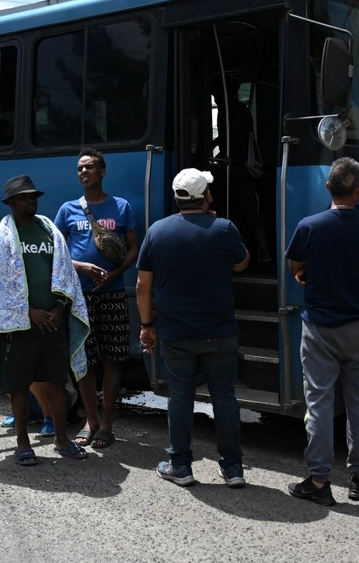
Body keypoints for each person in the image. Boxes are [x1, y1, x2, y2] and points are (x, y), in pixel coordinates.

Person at [0, 175, 92, 465]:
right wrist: (29, 312)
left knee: (56, 382)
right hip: (20, 327)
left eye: (33, 196)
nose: (31, 201)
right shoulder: (2, 237)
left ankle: (61, 439)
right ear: (12, 202)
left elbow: (65, 273)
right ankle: (22, 444)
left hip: (53, 323)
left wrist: (58, 308)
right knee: (18, 386)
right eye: (24, 197)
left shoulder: (49, 231)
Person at [285, 158, 359, 506]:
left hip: (320, 328)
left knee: (319, 403)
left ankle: (319, 483)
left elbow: (295, 266)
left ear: (327, 188)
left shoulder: (309, 226)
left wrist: (305, 275)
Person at [137, 168, 249, 487]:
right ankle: (232, 468)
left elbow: (143, 286)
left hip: (176, 333)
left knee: (181, 397)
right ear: (206, 197)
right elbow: (242, 262)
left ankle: (181, 466)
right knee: (224, 397)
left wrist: (147, 325)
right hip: (220, 331)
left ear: (177, 198)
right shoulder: (224, 228)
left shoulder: (157, 231)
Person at [54, 147, 139, 449]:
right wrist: (81, 267)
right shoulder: (67, 210)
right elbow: (57, 252)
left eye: (90, 167)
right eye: (80, 168)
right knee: (85, 361)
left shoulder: (121, 207)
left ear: (103, 172)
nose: (84, 172)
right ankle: (90, 420)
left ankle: (107, 423)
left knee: (112, 358)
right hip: (80, 297)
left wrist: (115, 275)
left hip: (113, 294)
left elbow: (133, 249)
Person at [212, 82, 274, 270]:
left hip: (238, 168)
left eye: (216, 94)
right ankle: (263, 254)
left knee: (238, 212)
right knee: (249, 214)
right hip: (242, 167)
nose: (215, 99)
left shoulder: (230, 111)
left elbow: (233, 138)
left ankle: (260, 255)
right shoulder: (240, 109)